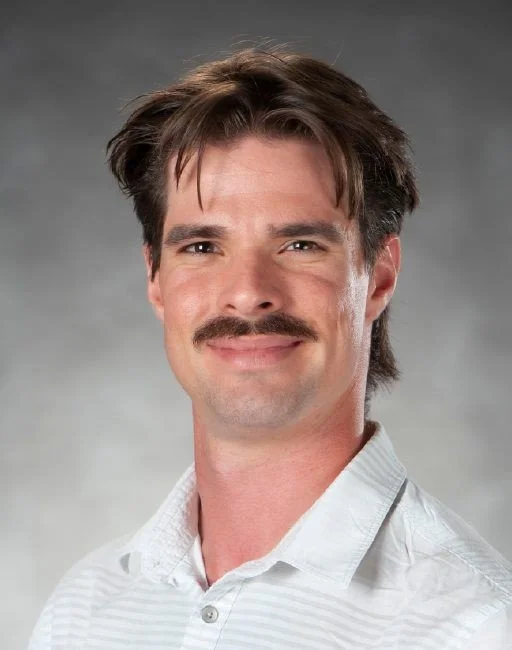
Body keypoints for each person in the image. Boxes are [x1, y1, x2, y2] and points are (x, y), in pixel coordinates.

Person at [29, 47, 512, 649]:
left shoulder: (474, 624)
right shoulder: (84, 609)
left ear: (379, 277)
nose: (247, 293)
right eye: (202, 247)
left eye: (300, 245)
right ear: (156, 279)